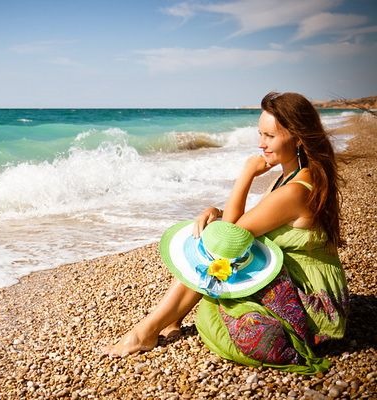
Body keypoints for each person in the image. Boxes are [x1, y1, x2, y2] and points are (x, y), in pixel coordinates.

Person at [102, 91, 349, 374]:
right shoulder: (293, 175)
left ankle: (147, 330)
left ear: (298, 138)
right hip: (303, 280)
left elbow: (230, 237)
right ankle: (166, 320)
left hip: (313, 306)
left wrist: (245, 174)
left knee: (216, 257)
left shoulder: (294, 190)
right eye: (260, 134)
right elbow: (246, 224)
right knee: (215, 246)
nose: (261, 144)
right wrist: (217, 212)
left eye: (270, 136)